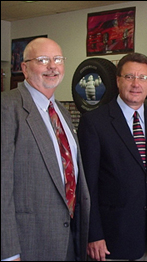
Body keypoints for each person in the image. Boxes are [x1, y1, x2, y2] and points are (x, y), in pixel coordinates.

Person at [77, 53, 147, 261]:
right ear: (118, 80)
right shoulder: (94, 122)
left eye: (142, 78)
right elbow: (87, 185)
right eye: (129, 76)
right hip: (111, 240)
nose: (135, 84)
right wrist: (93, 234)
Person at [1, 37, 91, 261]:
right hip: (28, 243)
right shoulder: (7, 108)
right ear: (24, 67)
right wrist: (9, 252)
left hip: (69, 240)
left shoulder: (63, 112)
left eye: (57, 59)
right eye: (42, 60)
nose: (52, 66)